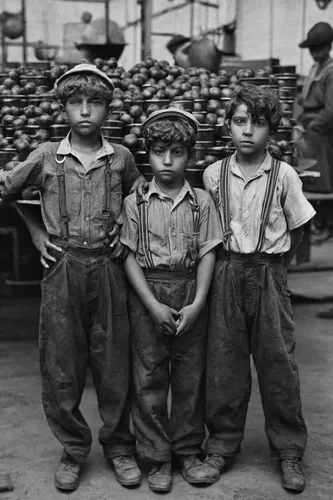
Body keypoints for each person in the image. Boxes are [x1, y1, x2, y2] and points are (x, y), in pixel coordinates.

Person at [0, 63, 147, 492]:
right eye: (76, 102)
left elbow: (143, 198)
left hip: (109, 269)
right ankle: (73, 448)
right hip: (62, 267)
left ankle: (120, 447)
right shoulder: (46, 156)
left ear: (108, 108)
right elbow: (5, 189)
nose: (86, 110)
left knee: (113, 362)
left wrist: (128, 227)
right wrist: (33, 229)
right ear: (63, 107)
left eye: (95, 102)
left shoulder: (121, 158)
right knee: (61, 365)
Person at [202, 85, 316, 493]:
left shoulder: (283, 175)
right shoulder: (213, 174)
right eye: (239, 121)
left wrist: (278, 266)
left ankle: (288, 451)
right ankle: (221, 444)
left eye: (259, 123)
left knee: (278, 363)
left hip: (269, 271)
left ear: (272, 130)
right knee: (225, 363)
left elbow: (299, 226)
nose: (248, 130)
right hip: (228, 271)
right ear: (228, 125)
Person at [119, 108, 223, 492]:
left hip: (188, 290)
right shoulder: (137, 202)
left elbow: (209, 252)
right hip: (149, 291)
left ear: (190, 157)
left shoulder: (201, 202)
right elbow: (126, 254)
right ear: (146, 153)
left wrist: (197, 303)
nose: (167, 160)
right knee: (148, 377)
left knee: (190, 377)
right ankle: (157, 457)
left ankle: (188, 451)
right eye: (159, 151)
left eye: (176, 152)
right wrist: (150, 303)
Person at [298, 22, 333, 193]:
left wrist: (313, 128)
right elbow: (308, 97)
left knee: (322, 179)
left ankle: (325, 209)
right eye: (312, 49)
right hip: (310, 128)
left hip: (321, 132)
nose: (314, 53)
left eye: (318, 49)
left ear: (328, 46)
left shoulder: (330, 71)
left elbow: (331, 111)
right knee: (311, 177)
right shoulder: (315, 68)